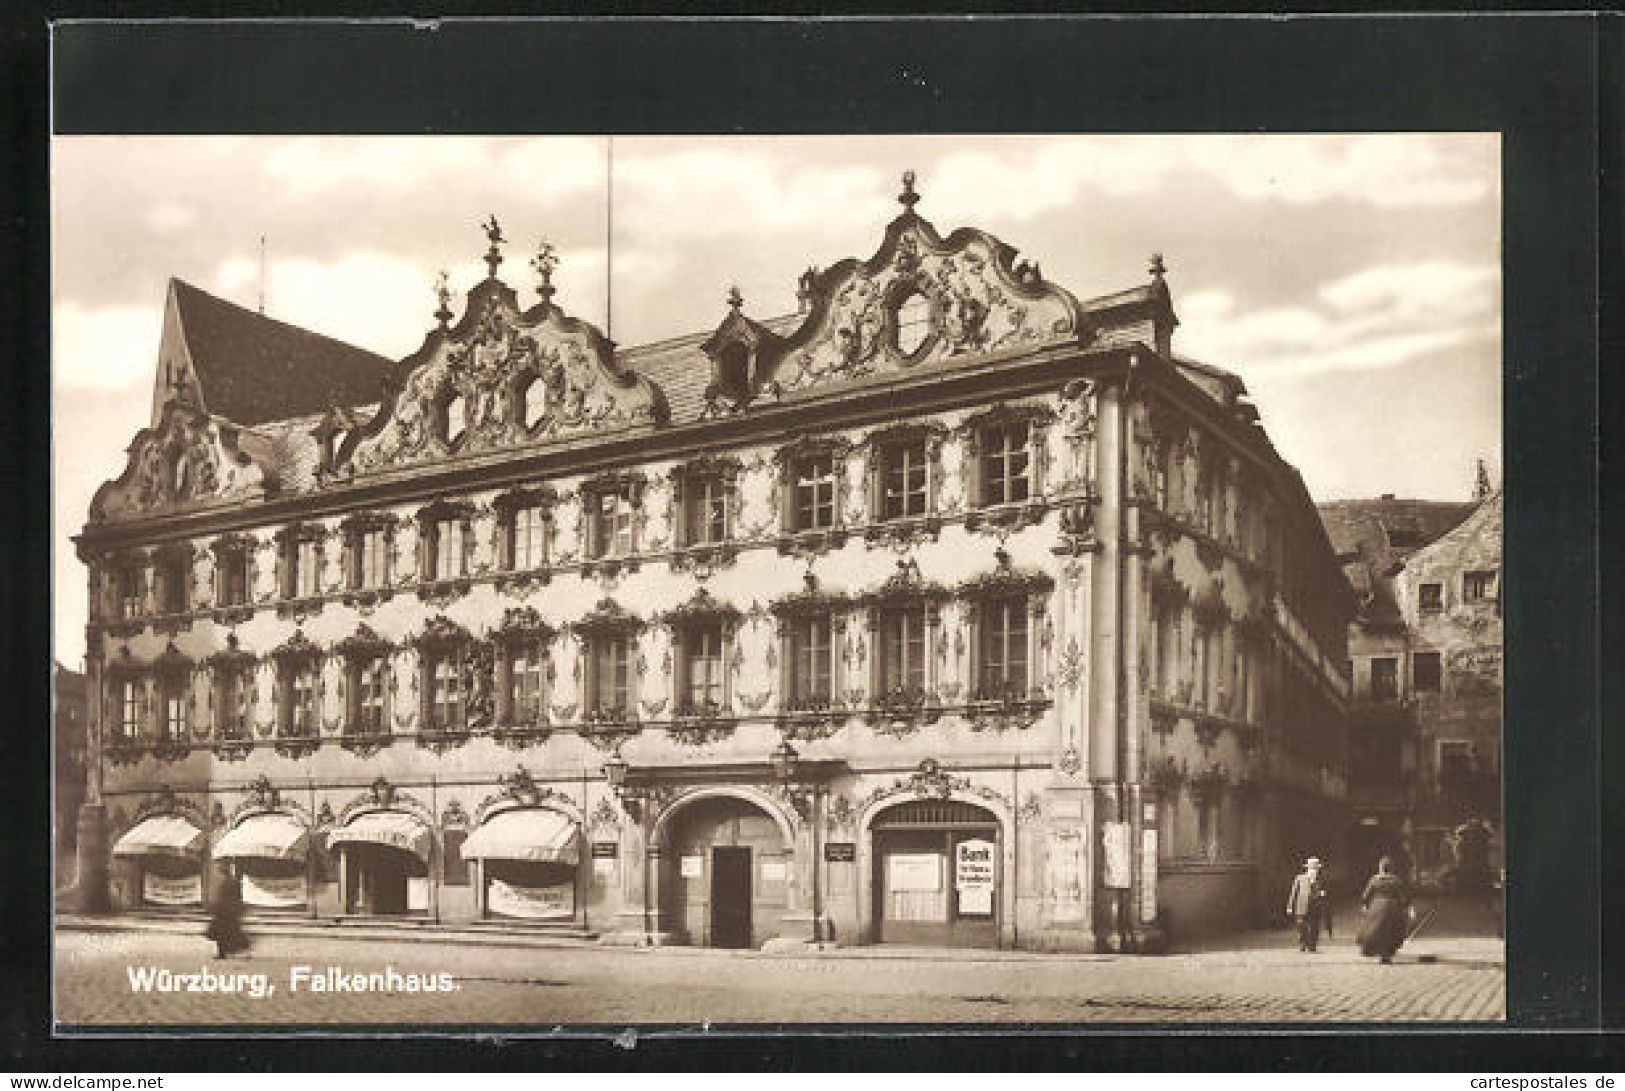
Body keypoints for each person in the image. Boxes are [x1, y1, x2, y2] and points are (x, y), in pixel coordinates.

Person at [1356, 855, 1411, 964]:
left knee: (1373, 929)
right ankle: (1387, 955)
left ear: (1381, 867)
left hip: (1376, 906)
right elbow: (1402, 896)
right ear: (1391, 868)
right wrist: (1405, 907)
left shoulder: (1374, 880)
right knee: (1390, 931)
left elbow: (1366, 895)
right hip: (1392, 907)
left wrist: (1365, 905)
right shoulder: (1396, 880)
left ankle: (1371, 950)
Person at [1285, 856, 1331, 952]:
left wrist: (1323, 895)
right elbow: (1293, 893)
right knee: (1301, 925)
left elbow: (1325, 894)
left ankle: (1312, 945)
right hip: (1301, 906)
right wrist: (1290, 906)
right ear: (1307, 869)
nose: (1314, 871)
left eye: (1316, 869)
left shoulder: (1321, 880)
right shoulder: (1300, 878)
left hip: (1315, 907)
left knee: (1314, 927)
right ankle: (1303, 942)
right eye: (1312, 868)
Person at [205, 867, 251, 959]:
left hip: (225, 912)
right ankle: (224, 953)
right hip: (228, 912)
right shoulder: (231, 882)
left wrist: (217, 907)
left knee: (223, 934)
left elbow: (229, 897)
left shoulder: (229, 883)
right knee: (226, 933)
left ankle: (223, 953)